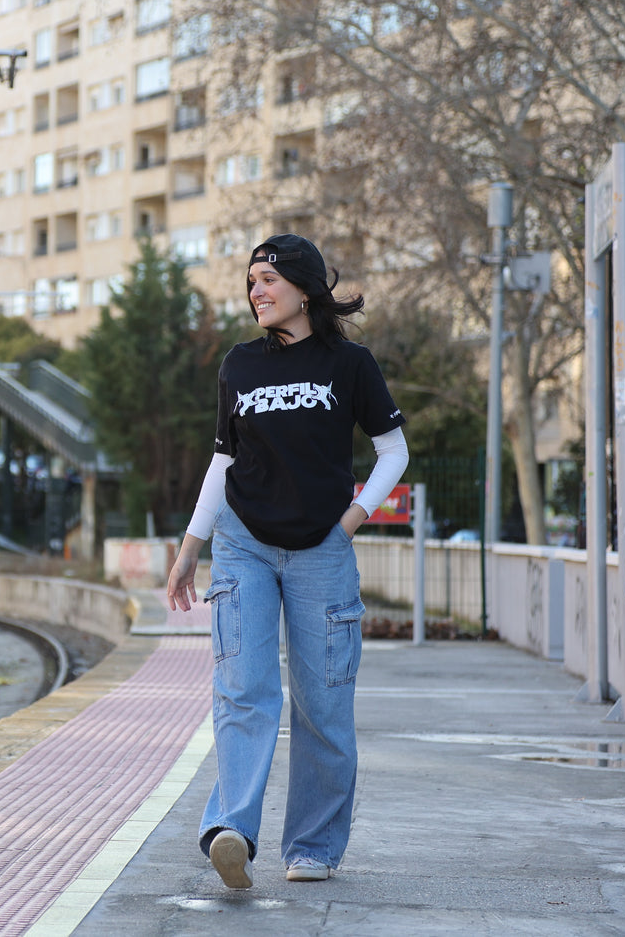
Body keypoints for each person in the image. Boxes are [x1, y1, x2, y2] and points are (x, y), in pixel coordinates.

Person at [165, 233, 408, 888]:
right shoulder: (238, 365)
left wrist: (352, 518)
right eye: (250, 283)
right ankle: (231, 832)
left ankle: (312, 846)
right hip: (242, 540)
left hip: (320, 550)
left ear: (303, 287)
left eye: (267, 279)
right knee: (242, 687)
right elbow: (222, 460)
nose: (257, 292)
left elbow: (393, 450)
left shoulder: (349, 363)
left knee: (322, 704)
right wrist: (191, 546)